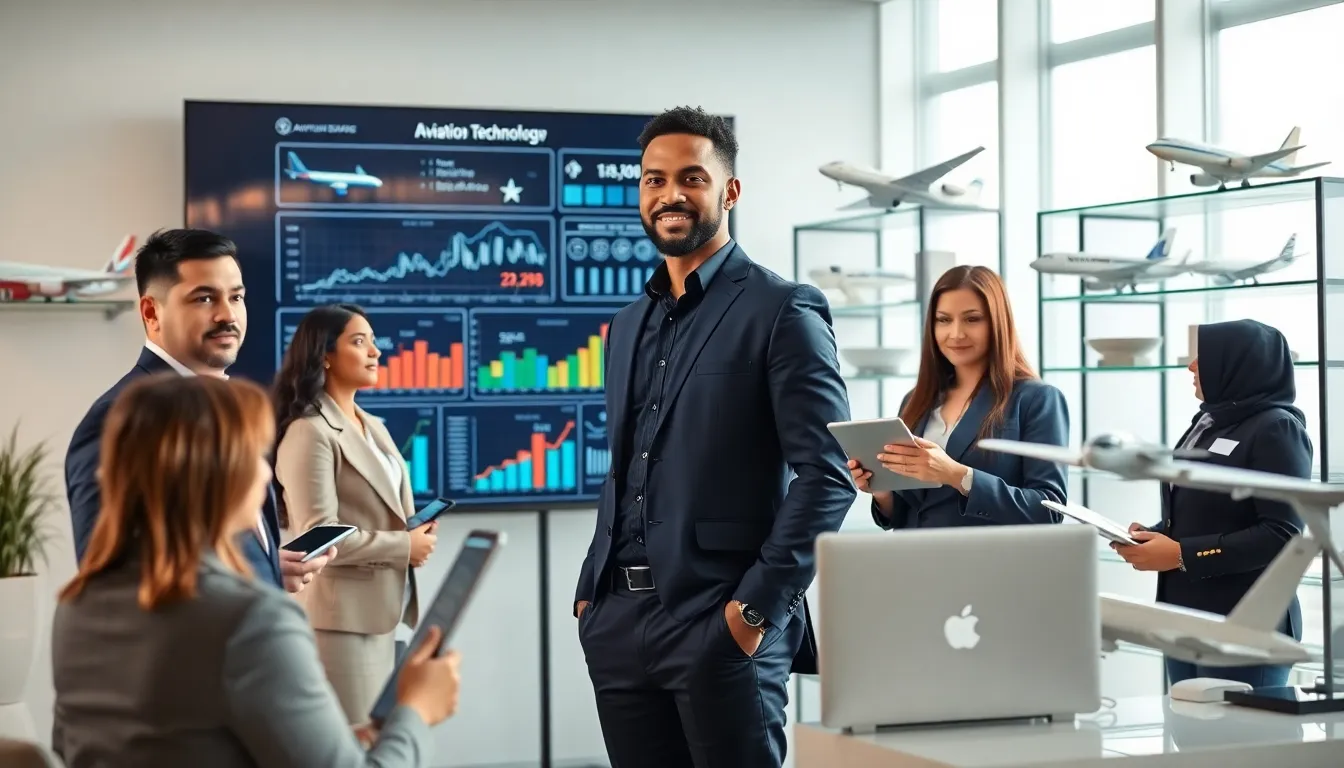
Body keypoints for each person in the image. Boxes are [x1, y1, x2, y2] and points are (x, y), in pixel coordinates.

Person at [572, 106, 856, 768]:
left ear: (729, 192)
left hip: (720, 623)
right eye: (653, 179)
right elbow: (625, 468)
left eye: (691, 178)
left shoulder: (782, 308)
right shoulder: (625, 323)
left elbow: (827, 475)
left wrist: (753, 613)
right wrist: (593, 593)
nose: (669, 194)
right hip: (617, 623)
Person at [51, 374, 462, 768]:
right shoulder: (250, 620)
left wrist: (345, 740)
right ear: (219, 474)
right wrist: (416, 710)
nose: (267, 475)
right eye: (255, 456)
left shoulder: (78, 605)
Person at [64, 228, 327, 592]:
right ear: (151, 312)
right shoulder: (119, 418)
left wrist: (263, 568)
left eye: (236, 297)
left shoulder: (232, 408)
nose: (227, 315)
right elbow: (113, 584)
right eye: (204, 299)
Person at [1117, 318, 1309, 687]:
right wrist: (1155, 536)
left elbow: (1282, 536)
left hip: (1246, 623)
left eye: (1202, 358)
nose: (1191, 366)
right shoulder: (1208, 421)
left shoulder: (1276, 428)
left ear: (1236, 364)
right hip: (1185, 618)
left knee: (1247, 741)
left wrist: (1181, 555)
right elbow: (1204, 510)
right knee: (1189, 736)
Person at [272, 303, 439, 724]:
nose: (375, 352)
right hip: (339, 624)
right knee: (353, 744)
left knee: (373, 741)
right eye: (359, 341)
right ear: (324, 354)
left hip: (379, 616)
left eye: (374, 342)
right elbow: (317, 537)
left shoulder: (371, 424)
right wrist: (405, 546)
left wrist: (412, 532)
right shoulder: (309, 431)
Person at [848, 265, 1069, 530]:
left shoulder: (1036, 399)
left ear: (997, 322)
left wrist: (957, 475)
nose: (956, 334)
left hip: (986, 564)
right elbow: (908, 511)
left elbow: (1049, 509)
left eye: (972, 319)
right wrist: (881, 490)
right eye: (943, 320)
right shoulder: (916, 400)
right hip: (914, 563)